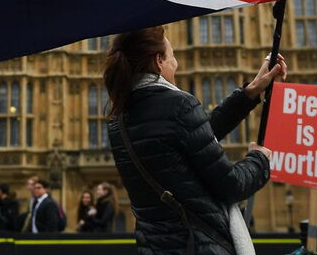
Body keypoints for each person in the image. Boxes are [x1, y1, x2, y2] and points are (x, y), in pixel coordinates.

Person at [105, 26, 286, 255]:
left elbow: (192, 138)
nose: (176, 64)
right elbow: (232, 186)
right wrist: (260, 158)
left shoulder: (118, 118)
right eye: (173, 56)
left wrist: (250, 93)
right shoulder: (178, 105)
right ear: (159, 61)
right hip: (197, 245)